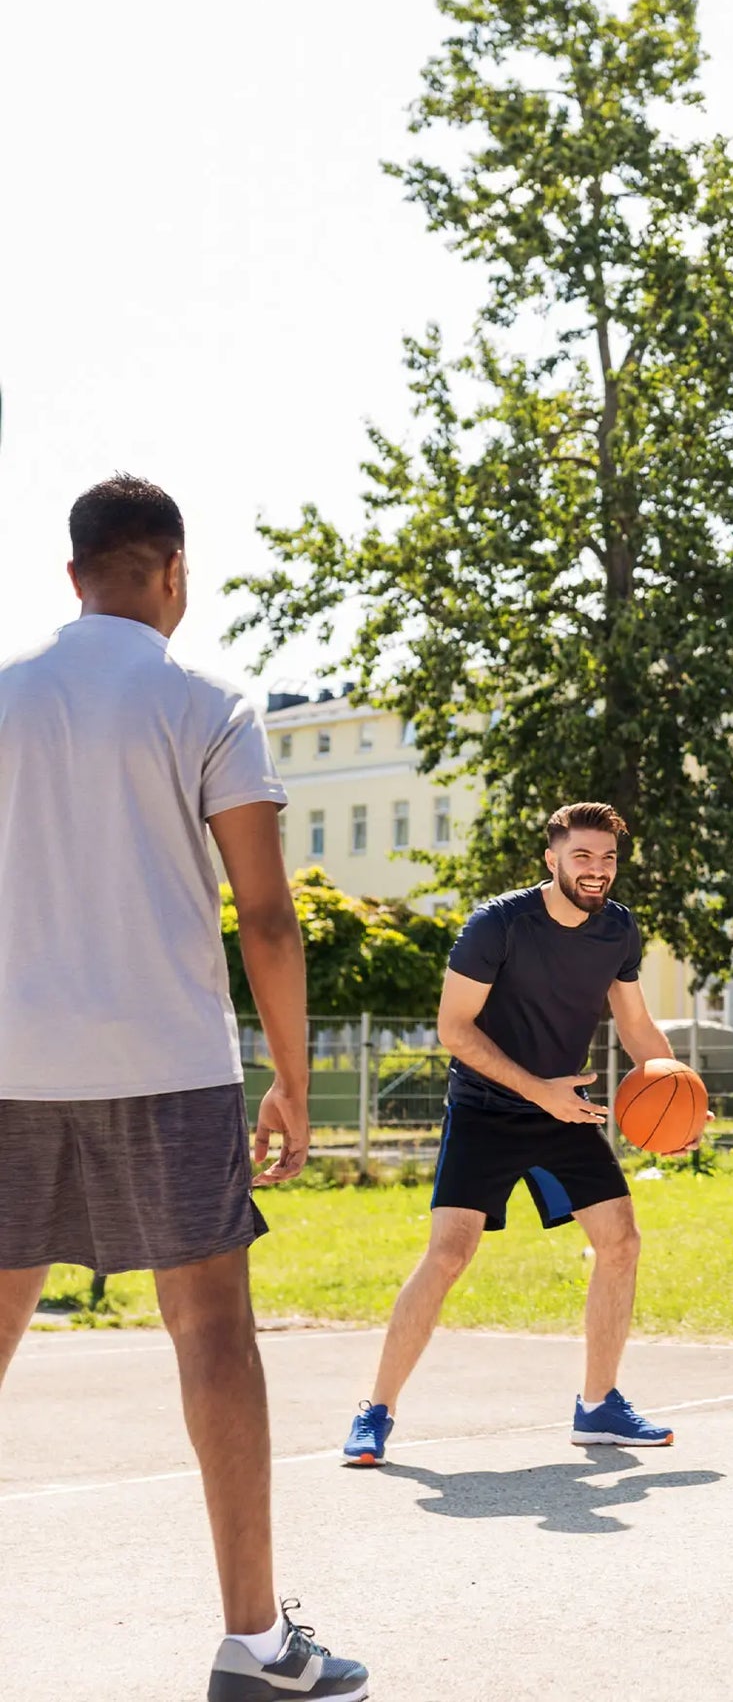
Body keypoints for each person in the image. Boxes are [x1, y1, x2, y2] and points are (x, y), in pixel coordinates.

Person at [0, 476, 368, 1701]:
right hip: (167, 1064)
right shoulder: (211, 701)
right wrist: (294, 1083)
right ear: (171, 571)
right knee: (211, 1329)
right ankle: (255, 1646)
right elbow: (265, 912)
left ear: (73, 575)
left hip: (8, 1064)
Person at [342, 801, 690, 1465]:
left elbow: (638, 1025)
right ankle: (375, 1411)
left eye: (607, 858)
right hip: (486, 1108)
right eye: (582, 856)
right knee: (449, 1253)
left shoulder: (617, 930)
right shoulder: (497, 925)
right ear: (552, 859)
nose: (596, 870)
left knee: (620, 1242)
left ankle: (599, 1407)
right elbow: (454, 1029)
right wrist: (538, 1091)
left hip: (565, 1108)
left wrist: (679, 1092)